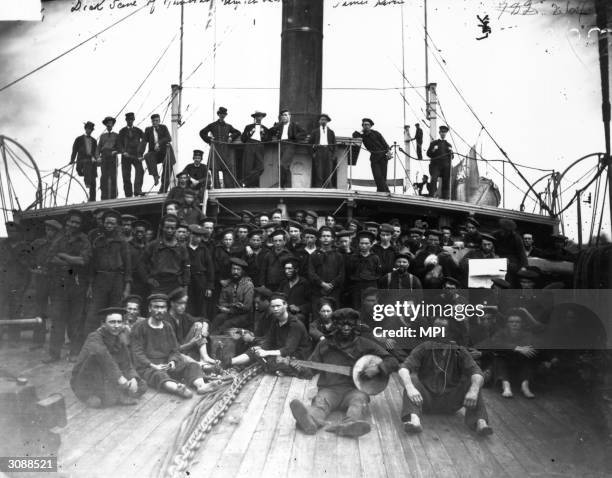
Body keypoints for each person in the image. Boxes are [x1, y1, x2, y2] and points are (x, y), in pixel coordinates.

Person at [289, 308, 399, 437]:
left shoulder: (365, 344)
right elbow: (310, 371)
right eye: (342, 324)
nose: (346, 328)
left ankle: (350, 425)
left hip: (355, 390)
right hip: (330, 389)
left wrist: (377, 368)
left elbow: (392, 361)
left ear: (355, 325)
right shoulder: (324, 345)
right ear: (335, 325)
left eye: (350, 324)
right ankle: (310, 421)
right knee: (320, 403)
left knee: (358, 402)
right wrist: (299, 369)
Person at [399, 316, 493, 436]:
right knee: (411, 380)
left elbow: (477, 372)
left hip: (451, 403)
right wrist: (410, 388)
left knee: (474, 382)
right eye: (435, 328)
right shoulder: (424, 347)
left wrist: (473, 390)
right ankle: (414, 420)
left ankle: (481, 422)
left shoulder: (459, 351)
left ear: (450, 331)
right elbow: (403, 368)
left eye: (442, 328)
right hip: (426, 402)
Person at [131, 294, 219, 397]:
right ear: (150, 308)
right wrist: (153, 365)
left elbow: (174, 350)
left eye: (162, 307)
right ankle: (178, 389)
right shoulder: (140, 327)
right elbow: (137, 353)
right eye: (156, 307)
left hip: (166, 364)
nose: (160, 310)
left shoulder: (167, 327)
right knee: (159, 375)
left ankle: (201, 386)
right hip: (148, 367)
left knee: (192, 365)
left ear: (166, 309)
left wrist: (172, 362)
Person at [71, 307, 147, 408]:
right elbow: (104, 357)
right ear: (103, 324)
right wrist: (120, 378)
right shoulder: (94, 337)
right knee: (100, 401)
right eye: (112, 322)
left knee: (142, 386)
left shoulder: (119, 338)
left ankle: (116, 394)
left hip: (110, 376)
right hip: (87, 378)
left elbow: (127, 364)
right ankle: (112, 395)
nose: (116, 326)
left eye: (119, 322)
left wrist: (133, 378)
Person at [42, 210, 91, 363]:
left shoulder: (84, 240)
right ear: (66, 222)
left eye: (77, 223)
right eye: (71, 222)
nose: (74, 225)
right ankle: (54, 354)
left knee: (75, 321)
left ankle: (74, 352)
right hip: (59, 284)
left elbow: (84, 261)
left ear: (80, 225)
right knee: (57, 320)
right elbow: (50, 257)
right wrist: (71, 261)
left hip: (77, 284)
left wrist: (63, 256)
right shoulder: (59, 238)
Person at [228, 293, 311, 372]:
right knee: (255, 350)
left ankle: (278, 369)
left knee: (270, 363)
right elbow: (269, 341)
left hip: (297, 357)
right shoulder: (276, 321)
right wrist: (260, 348)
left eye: (278, 306)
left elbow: (288, 349)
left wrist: (266, 352)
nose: (275, 309)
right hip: (281, 354)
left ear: (285, 305)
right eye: (273, 306)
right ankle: (229, 362)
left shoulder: (295, 324)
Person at [84, 209, 132, 339]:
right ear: (103, 223)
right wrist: (90, 285)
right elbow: (92, 265)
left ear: (116, 225)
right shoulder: (98, 240)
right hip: (100, 279)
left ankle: (114, 344)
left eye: (112, 223)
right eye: (107, 223)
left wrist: (127, 287)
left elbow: (128, 265)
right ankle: (90, 344)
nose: (109, 225)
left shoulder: (122, 242)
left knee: (115, 313)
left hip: (117, 280)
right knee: (94, 313)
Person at [478, 310, 537, 399]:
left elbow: (529, 347)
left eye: (517, 322)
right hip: (503, 366)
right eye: (511, 322)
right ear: (507, 324)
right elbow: (495, 344)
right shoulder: (501, 333)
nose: (514, 324)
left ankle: (525, 386)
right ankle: (506, 386)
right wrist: (516, 348)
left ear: (522, 324)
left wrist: (515, 350)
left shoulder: (527, 334)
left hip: (520, 364)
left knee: (528, 357)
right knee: (499, 358)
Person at [27, 219, 63, 349]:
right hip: (41, 279)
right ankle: (38, 340)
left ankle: (56, 342)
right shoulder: (38, 243)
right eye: (48, 229)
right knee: (39, 309)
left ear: (58, 232)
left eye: (53, 230)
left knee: (57, 311)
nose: (49, 232)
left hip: (56, 279)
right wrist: (34, 268)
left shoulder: (61, 244)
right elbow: (27, 255)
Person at [166, 288, 217, 366]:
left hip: (184, 349)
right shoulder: (166, 321)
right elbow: (172, 349)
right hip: (173, 354)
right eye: (180, 303)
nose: (183, 306)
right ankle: (200, 364)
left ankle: (204, 357)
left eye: (185, 303)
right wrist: (191, 343)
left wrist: (205, 327)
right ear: (172, 303)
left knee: (199, 324)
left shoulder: (183, 316)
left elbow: (203, 319)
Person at [142, 214, 190, 295]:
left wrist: (184, 287)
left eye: (172, 228)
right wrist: (148, 279)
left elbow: (186, 267)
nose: (169, 230)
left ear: (176, 229)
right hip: (158, 284)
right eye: (167, 227)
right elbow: (142, 263)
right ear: (162, 228)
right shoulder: (153, 245)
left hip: (176, 285)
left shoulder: (182, 248)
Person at [199, 106, 241, 188]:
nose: (222, 115)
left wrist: (231, 137)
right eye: (221, 114)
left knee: (227, 168)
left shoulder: (228, 126)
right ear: (218, 114)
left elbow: (237, 132)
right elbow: (202, 133)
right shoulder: (212, 125)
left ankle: (229, 188)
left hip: (225, 151)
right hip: (215, 149)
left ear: (225, 115)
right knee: (214, 169)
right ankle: (216, 187)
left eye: (224, 114)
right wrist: (209, 139)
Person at [211, 257, 254, 333]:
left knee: (226, 324)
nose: (235, 272)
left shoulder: (248, 285)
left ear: (242, 271)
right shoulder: (228, 284)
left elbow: (247, 307)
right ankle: (210, 339)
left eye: (238, 269)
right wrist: (231, 306)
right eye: (233, 269)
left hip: (244, 316)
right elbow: (221, 302)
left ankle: (220, 341)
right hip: (230, 313)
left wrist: (230, 309)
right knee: (218, 319)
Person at [268, 109, 307, 188]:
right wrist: (276, 126)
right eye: (283, 115)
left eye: (286, 115)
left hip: (290, 144)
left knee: (283, 165)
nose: (284, 117)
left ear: (290, 116)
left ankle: (284, 185)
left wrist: (295, 137)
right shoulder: (280, 125)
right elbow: (270, 131)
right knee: (282, 166)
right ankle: (286, 185)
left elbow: (304, 133)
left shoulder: (294, 125)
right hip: (281, 144)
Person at [308, 226, 345, 307]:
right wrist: (322, 284)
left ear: (332, 239)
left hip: (334, 291)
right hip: (318, 291)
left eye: (328, 236)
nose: (326, 238)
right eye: (323, 236)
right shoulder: (314, 255)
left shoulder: (338, 256)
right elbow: (311, 273)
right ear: (320, 239)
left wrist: (332, 284)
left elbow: (341, 274)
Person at [352, 118, 391, 193]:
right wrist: (361, 130)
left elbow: (385, 144)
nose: (366, 126)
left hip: (383, 156)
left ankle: (381, 191)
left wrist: (388, 153)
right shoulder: (362, 136)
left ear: (370, 126)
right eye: (364, 125)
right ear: (362, 126)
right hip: (374, 157)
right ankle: (386, 191)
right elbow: (354, 135)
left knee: (383, 176)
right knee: (377, 176)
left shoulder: (376, 133)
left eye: (367, 125)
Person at [347, 230, 383, 309]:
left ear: (371, 245)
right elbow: (350, 271)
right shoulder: (353, 257)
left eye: (366, 243)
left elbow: (378, 272)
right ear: (358, 244)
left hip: (371, 285)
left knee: (371, 306)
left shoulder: (375, 258)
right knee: (357, 306)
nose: (364, 246)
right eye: (362, 243)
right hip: (357, 285)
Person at [186, 224, 214, 317]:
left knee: (201, 305)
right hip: (187, 280)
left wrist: (209, 286)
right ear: (191, 235)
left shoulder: (204, 249)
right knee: (187, 304)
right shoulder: (184, 248)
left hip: (200, 279)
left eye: (200, 237)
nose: (198, 239)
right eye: (195, 236)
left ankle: (201, 325)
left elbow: (210, 268)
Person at [141, 113, 174, 193]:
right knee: (147, 155)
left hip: (165, 152)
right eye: (153, 121)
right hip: (155, 153)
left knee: (167, 169)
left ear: (159, 121)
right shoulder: (148, 130)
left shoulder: (163, 127)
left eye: (157, 121)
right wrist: (140, 154)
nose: (155, 122)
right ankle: (155, 176)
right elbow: (144, 142)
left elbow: (169, 138)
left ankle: (163, 189)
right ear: (151, 122)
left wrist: (158, 143)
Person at [118, 112, 145, 197]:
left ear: (134, 120)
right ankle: (128, 194)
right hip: (126, 156)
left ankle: (137, 190)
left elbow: (145, 140)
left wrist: (141, 152)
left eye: (131, 119)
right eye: (128, 120)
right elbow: (119, 143)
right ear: (126, 120)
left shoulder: (138, 130)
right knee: (126, 175)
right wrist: (123, 152)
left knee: (140, 170)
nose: (130, 121)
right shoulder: (122, 131)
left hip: (136, 155)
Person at [279, 256, 311, 325]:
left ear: (296, 269)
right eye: (285, 269)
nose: (286, 271)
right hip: (284, 313)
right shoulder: (283, 283)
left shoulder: (304, 283)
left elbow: (311, 303)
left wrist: (299, 308)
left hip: (299, 316)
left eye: (289, 269)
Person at [70, 121, 98, 201]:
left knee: (93, 181)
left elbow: (95, 152)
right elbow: (74, 150)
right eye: (88, 129)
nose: (89, 131)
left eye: (91, 129)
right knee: (87, 164)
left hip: (91, 162)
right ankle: (87, 182)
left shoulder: (94, 141)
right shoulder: (79, 139)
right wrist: (72, 160)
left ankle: (92, 199)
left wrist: (95, 158)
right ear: (85, 129)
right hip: (82, 161)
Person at [240, 111, 269, 187]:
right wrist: (250, 132)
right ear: (254, 118)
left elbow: (267, 140)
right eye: (257, 116)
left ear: (262, 118)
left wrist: (263, 134)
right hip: (249, 145)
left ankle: (245, 182)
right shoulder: (248, 127)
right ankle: (249, 186)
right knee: (248, 166)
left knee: (260, 167)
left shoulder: (265, 129)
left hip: (259, 146)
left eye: (260, 116)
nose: (258, 118)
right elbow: (243, 139)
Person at [96, 116, 121, 200]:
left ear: (112, 124)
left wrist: (116, 151)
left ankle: (114, 196)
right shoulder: (102, 136)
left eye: (110, 123)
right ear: (106, 125)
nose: (109, 125)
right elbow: (98, 148)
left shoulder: (116, 135)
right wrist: (98, 157)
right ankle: (104, 196)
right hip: (104, 156)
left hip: (113, 156)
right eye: (107, 123)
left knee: (113, 176)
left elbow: (120, 147)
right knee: (104, 177)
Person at [309, 113, 336, 188]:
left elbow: (334, 144)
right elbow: (309, 144)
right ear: (319, 121)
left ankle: (328, 187)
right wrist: (313, 154)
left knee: (328, 171)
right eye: (321, 119)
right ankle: (319, 187)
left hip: (328, 151)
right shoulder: (315, 132)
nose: (323, 121)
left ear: (327, 121)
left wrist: (333, 155)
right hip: (319, 152)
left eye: (325, 120)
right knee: (319, 171)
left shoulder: (331, 132)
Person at [426, 125, 453, 199]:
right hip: (436, 166)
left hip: (445, 167)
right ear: (439, 132)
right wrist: (433, 150)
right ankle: (431, 196)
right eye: (442, 132)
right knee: (433, 180)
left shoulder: (448, 145)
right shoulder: (434, 143)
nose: (443, 134)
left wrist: (451, 152)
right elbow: (428, 154)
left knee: (446, 182)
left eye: (445, 132)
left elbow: (452, 157)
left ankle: (445, 199)